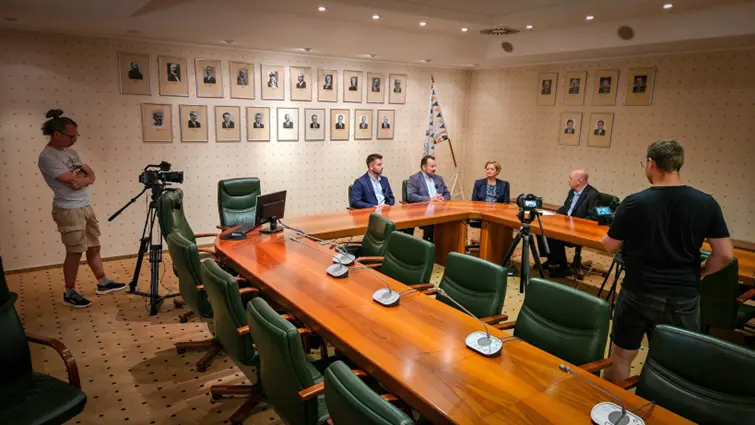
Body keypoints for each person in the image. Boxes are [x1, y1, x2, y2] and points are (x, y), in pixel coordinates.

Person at [602, 140, 733, 384]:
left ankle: (614, 403)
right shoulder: (706, 203)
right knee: (677, 363)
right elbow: (725, 254)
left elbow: (610, 245)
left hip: (638, 291)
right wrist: (702, 272)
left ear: (651, 163)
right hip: (683, 295)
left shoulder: (634, 202)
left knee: (620, 357)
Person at [37, 109, 126, 308]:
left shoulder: (70, 152)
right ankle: (70, 292)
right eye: (71, 136)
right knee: (75, 251)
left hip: (85, 205)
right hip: (68, 210)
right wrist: (84, 178)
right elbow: (72, 182)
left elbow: (89, 174)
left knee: (94, 246)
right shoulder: (48, 157)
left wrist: (84, 179)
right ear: (57, 134)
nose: (74, 140)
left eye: (76, 136)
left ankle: (103, 282)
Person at [544, 169, 600, 277]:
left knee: (554, 236)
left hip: (580, 230)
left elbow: (593, 218)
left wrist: (573, 223)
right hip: (566, 225)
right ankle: (552, 260)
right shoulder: (572, 192)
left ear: (579, 181)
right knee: (542, 230)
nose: (568, 181)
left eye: (570, 178)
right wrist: (554, 216)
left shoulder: (593, 195)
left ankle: (562, 268)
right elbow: (566, 208)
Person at [407, 155, 451, 242]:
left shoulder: (439, 178)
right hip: (423, 212)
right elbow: (411, 196)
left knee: (453, 220)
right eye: (432, 166)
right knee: (432, 221)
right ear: (424, 167)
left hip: (440, 210)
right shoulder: (414, 178)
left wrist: (442, 198)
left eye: (435, 166)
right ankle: (429, 242)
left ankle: (446, 244)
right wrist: (430, 199)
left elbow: (447, 194)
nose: (434, 169)